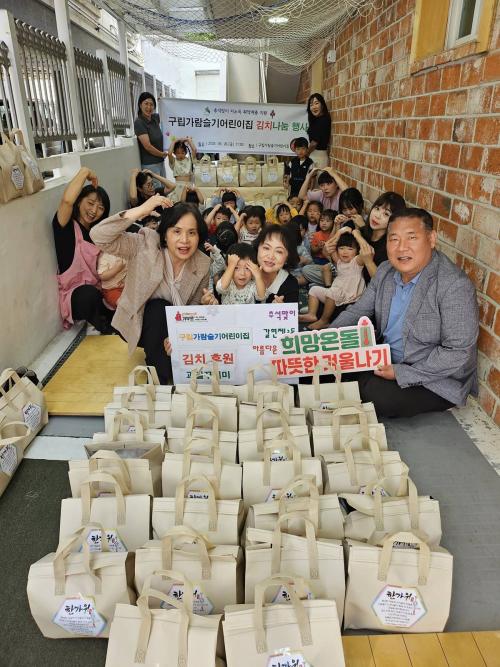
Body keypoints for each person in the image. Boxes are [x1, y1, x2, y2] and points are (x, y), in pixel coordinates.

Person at [331, 208, 479, 418]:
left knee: (374, 395)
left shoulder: (453, 285)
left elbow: (458, 352)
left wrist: (401, 373)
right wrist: (325, 341)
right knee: (326, 369)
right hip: (385, 359)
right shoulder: (385, 271)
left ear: (431, 239)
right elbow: (358, 310)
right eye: (394, 239)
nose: (402, 248)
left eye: (412, 238)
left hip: (434, 377)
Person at [90, 195, 211, 384]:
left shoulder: (202, 263)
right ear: (165, 234)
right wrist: (141, 210)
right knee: (158, 308)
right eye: (176, 231)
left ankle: (160, 370)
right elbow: (98, 235)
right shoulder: (144, 244)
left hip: (175, 326)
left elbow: (193, 306)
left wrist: (179, 335)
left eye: (192, 233)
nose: (184, 240)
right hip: (136, 322)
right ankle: (160, 381)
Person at [53, 167, 112, 333]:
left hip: (99, 292)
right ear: (79, 201)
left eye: (100, 208)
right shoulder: (66, 227)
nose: (94, 211)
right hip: (77, 298)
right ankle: (99, 325)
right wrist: (84, 172)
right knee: (89, 296)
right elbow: (66, 201)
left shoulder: (97, 234)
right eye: (90, 203)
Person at [201, 224, 299, 305]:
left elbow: (289, 320)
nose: (271, 256)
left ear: (288, 257)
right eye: (266, 248)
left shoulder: (290, 285)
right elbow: (219, 296)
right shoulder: (232, 275)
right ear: (258, 248)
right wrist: (211, 304)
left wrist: (280, 313)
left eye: (279, 251)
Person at [325, 191, 406, 285]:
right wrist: (329, 248)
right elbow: (337, 258)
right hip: (347, 282)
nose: (377, 216)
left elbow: (384, 285)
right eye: (377, 208)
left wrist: (368, 261)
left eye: (386, 214)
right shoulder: (361, 232)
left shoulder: (390, 247)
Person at [300, 228, 365, 330]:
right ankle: (311, 314)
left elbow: (366, 251)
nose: (345, 252)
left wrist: (357, 235)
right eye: (341, 248)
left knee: (332, 294)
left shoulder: (357, 262)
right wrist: (339, 232)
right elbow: (328, 245)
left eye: (350, 249)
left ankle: (324, 321)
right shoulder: (339, 261)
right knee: (314, 289)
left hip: (350, 296)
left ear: (357, 251)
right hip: (336, 293)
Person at [134, 92, 168, 178]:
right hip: (150, 165)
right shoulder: (139, 122)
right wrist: (161, 154)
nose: (149, 107)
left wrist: (163, 102)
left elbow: (166, 114)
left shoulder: (155, 118)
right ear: (140, 105)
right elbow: (148, 146)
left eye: (151, 104)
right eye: (146, 104)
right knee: (155, 186)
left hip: (160, 162)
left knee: (164, 185)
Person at [305, 93, 331, 168]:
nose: (314, 107)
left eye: (316, 103)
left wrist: (306, 154)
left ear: (322, 105)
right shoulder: (316, 120)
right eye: (311, 105)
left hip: (319, 157)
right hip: (314, 156)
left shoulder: (323, 120)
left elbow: (314, 143)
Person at [287, 218, 312, 286]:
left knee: (304, 279)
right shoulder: (282, 250)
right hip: (286, 275)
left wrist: (305, 260)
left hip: (300, 274)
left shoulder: (301, 248)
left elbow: (310, 261)